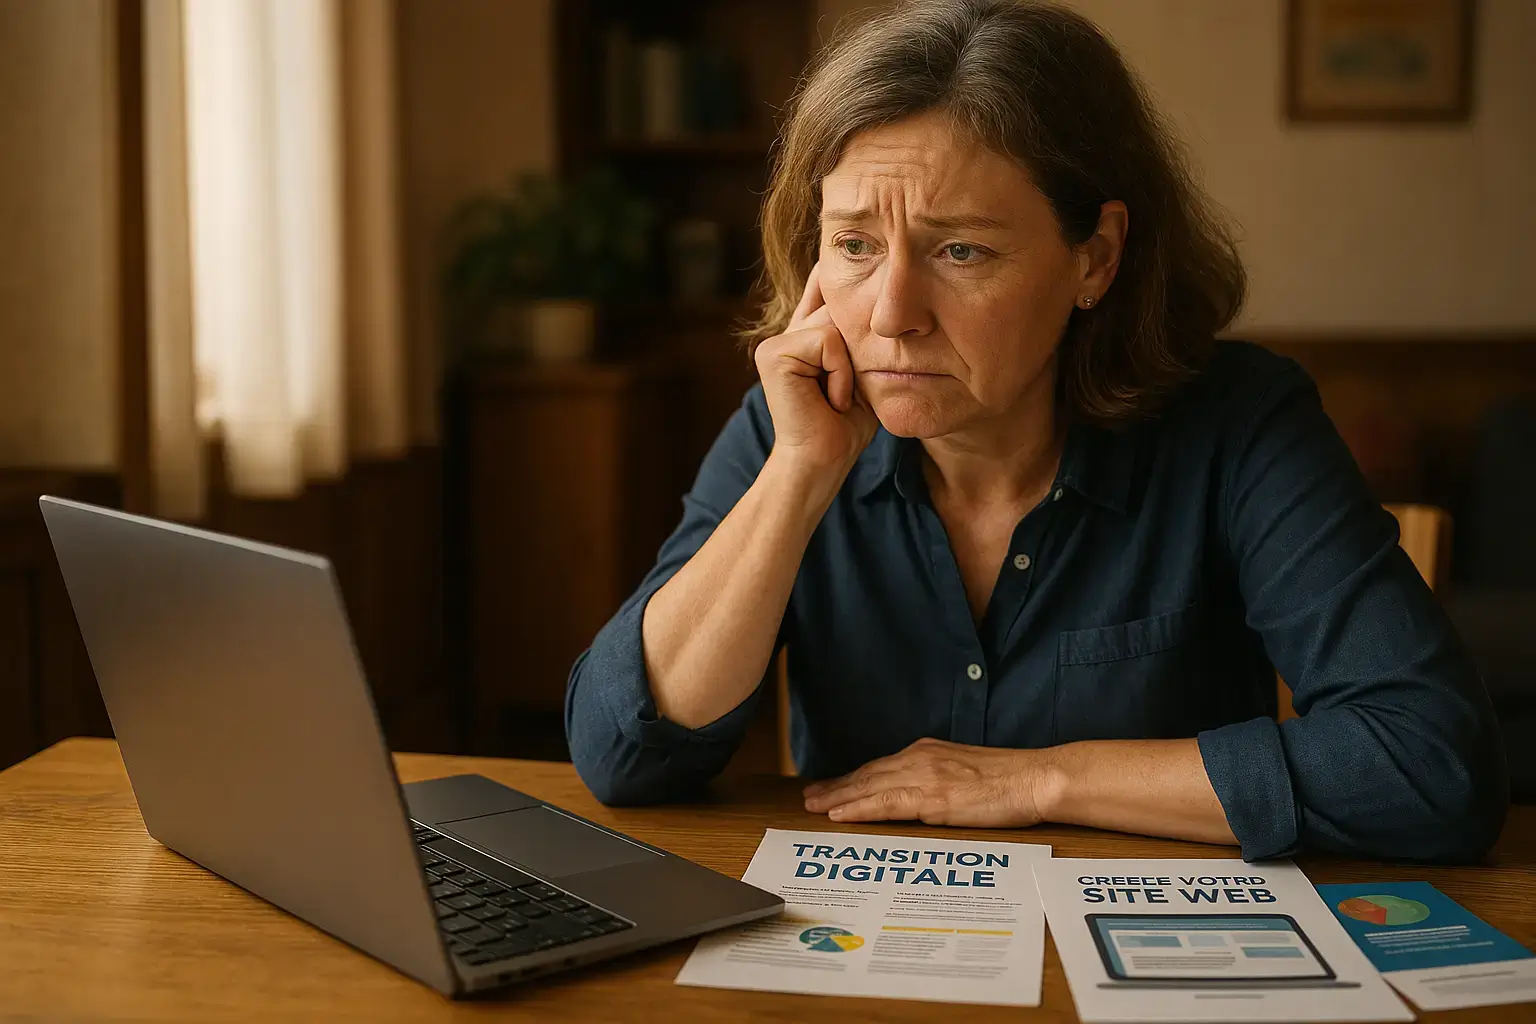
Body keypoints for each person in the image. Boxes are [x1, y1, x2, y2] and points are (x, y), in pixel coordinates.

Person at [564, 0, 1507, 862]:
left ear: (1094, 259)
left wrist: (1039, 779)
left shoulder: (1239, 424)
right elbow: (619, 753)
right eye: (854, 245)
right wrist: (798, 475)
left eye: (960, 249)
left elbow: (1429, 762)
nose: (891, 314)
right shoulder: (795, 425)